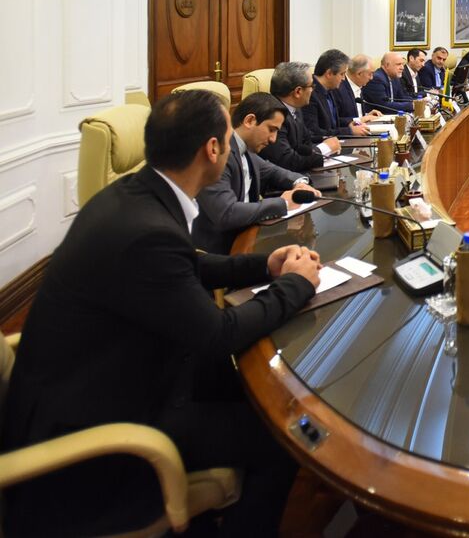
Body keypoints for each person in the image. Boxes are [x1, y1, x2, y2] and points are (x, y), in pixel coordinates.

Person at [0, 89, 321, 536]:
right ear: (212, 149)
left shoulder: (133, 195)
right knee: (283, 436)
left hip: (114, 371)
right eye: (228, 138)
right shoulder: (145, 229)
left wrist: (264, 264)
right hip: (102, 430)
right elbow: (219, 334)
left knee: (257, 386)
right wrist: (295, 285)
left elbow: (185, 263)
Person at [192, 93, 318, 254]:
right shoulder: (221, 153)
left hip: (250, 235)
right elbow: (227, 213)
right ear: (250, 121)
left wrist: (299, 183)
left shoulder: (245, 150)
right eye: (271, 130)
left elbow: (273, 171)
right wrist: (284, 203)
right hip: (221, 251)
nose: (273, 139)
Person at [260, 61, 340, 173]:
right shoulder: (273, 116)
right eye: (311, 86)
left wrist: (325, 144)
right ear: (298, 91)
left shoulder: (295, 108)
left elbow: (306, 144)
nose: (313, 90)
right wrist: (324, 149)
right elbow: (287, 161)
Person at [303, 49, 371, 141]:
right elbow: (314, 133)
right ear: (329, 73)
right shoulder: (309, 93)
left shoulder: (330, 89)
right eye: (342, 74)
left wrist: (351, 124)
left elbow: (334, 124)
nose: (343, 79)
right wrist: (349, 131)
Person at [335, 53, 382, 120]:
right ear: (359, 74)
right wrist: (359, 120)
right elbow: (336, 121)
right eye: (370, 74)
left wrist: (366, 115)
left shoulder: (358, 85)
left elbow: (356, 115)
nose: (371, 78)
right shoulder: (339, 88)